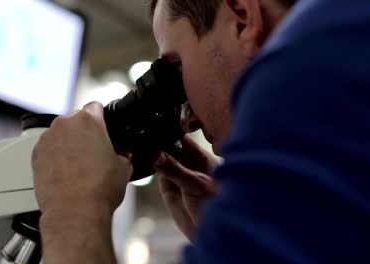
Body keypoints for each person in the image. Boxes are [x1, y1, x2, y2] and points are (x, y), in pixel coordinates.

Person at [32, 0, 370, 262]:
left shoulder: (304, 65)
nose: (188, 119)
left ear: (241, 18)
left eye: (177, 67)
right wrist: (246, 234)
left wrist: (74, 210)